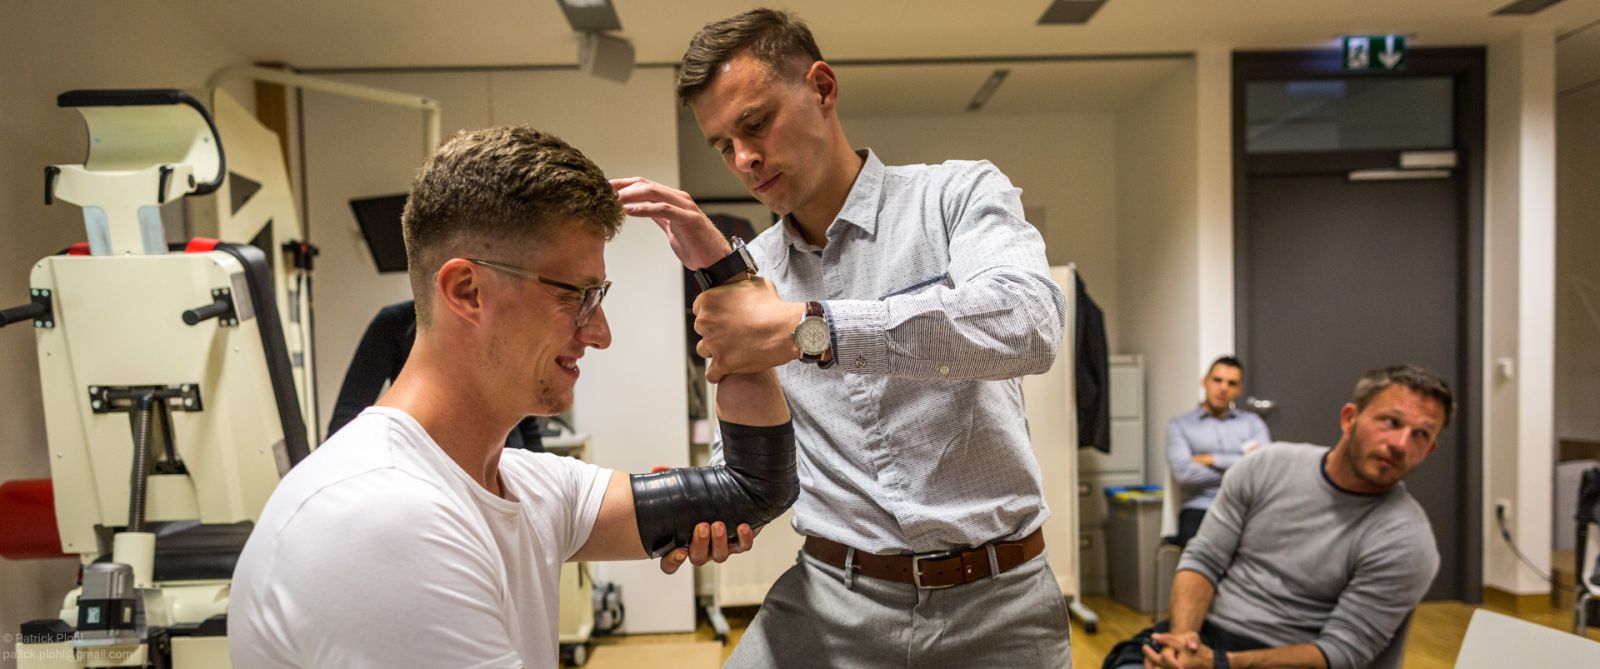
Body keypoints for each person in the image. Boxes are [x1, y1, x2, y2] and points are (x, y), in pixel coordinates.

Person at [230, 126, 799, 669]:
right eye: (575, 296)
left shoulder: (521, 484)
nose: (600, 333)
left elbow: (750, 490)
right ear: (467, 291)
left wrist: (727, 280)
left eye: (597, 296)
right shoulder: (382, 521)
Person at [613, 8, 1071, 666]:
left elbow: (1028, 323)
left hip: (1000, 607)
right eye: (722, 145)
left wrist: (810, 328)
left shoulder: (955, 195)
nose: (743, 159)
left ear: (822, 89)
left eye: (755, 124)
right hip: (831, 599)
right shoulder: (754, 276)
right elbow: (744, 462)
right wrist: (710, 504)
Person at [1103, 365, 1450, 669]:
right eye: (1391, 422)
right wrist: (1181, 645)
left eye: (1421, 434)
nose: (1401, 444)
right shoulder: (1267, 466)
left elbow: (1342, 651)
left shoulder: (1407, 540)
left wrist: (1218, 664)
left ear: (1430, 449)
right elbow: (1204, 559)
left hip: (1285, 657)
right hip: (1203, 636)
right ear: (1349, 418)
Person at [328, 299, 544, 451]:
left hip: (504, 467)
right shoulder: (395, 324)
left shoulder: (503, 323)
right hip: (426, 467)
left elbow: (526, 423)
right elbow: (346, 418)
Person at [1166, 356, 1271, 545]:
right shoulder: (1180, 425)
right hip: (1200, 508)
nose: (1223, 388)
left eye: (1231, 383)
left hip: (1246, 508)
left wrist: (1211, 459)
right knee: (1202, 554)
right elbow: (1184, 474)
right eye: (1217, 380)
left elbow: (1264, 467)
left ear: (1239, 389)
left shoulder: (1253, 423)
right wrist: (1242, 465)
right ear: (1205, 381)